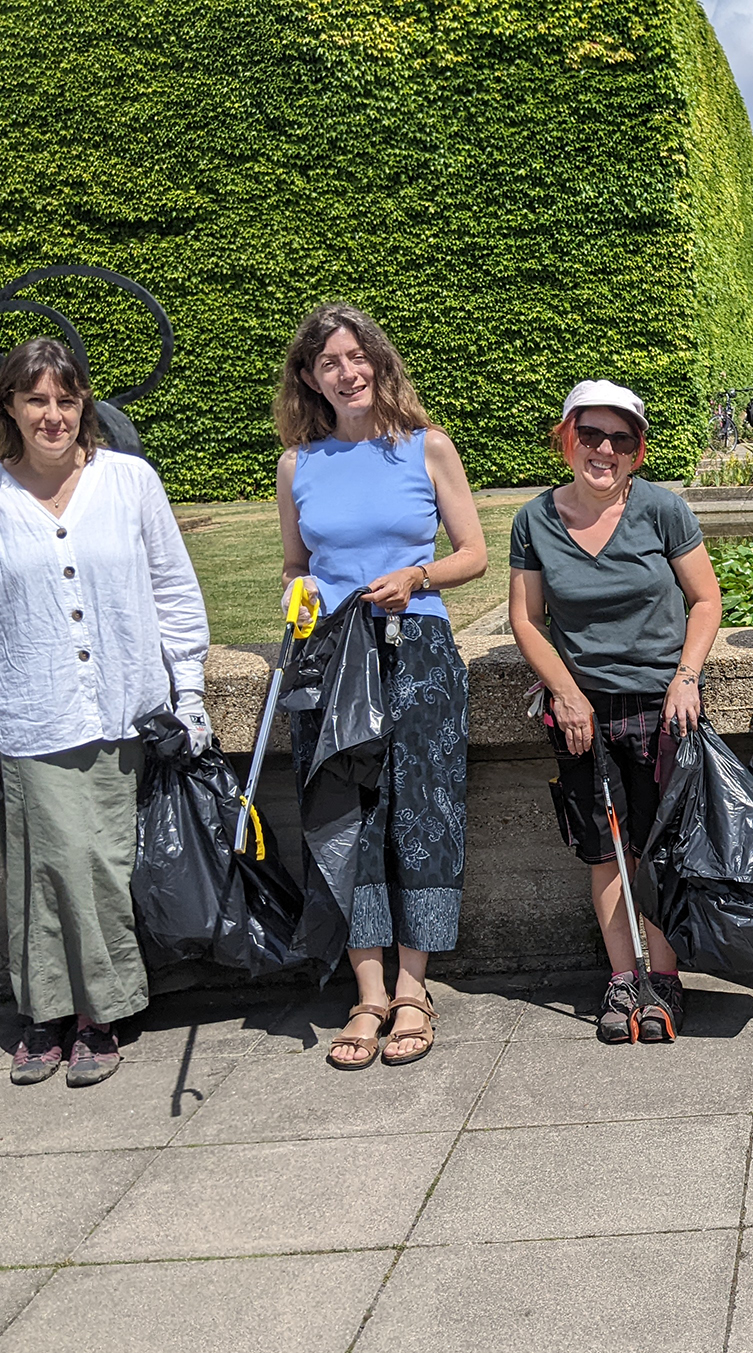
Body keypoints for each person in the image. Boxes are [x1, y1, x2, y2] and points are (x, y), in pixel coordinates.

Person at [0, 337, 211, 1087]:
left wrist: (189, 692)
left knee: (105, 866)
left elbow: (174, 592)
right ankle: (59, 1014)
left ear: (83, 403)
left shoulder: (129, 482)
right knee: (43, 868)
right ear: (11, 408)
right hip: (33, 708)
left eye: (65, 399)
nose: (52, 415)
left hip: (126, 707)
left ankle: (88, 1012)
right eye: (36, 400)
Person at [276, 304, 488, 1071]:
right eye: (329, 361)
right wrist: (297, 592)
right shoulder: (298, 465)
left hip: (419, 653)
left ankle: (412, 989)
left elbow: (475, 554)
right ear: (310, 378)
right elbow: (298, 567)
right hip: (333, 662)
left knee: (423, 817)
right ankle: (366, 993)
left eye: (357, 356)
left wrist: (418, 575)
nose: (347, 371)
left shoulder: (427, 447)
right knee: (347, 814)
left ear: (379, 363)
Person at [508, 381, 723, 1043]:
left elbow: (707, 601)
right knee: (606, 855)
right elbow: (525, 619)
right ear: (567, 437)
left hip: (665, 710)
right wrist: (566, 693)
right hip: (583, 716)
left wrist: (686, 678)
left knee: (658, 851)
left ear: (637, 452)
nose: (604, 450)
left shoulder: (662, 511)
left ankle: (664, 982)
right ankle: (621, 979)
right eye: (591, 435)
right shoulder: (535, 521)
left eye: (620, 439)